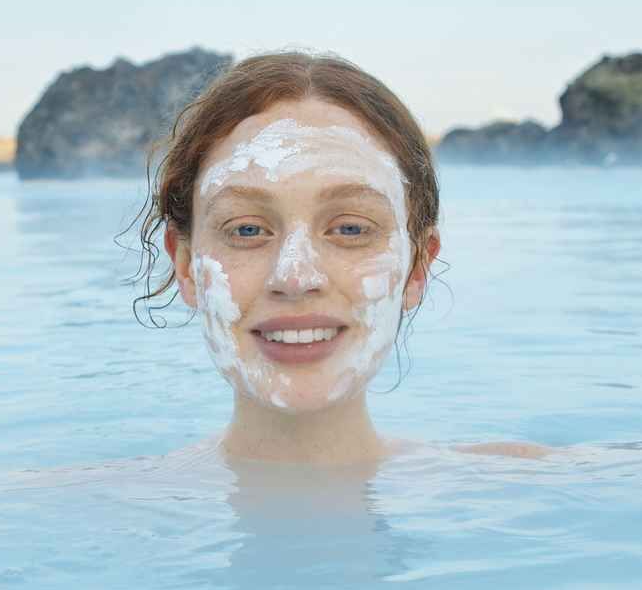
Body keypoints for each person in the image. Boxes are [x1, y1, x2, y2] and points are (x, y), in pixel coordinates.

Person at [136, 51, 552, 464]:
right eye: (247, 230)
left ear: (417, 267)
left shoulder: (528, 480)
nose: (296, 276)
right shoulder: (90, 506)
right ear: (186, 266)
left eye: (350, 229)